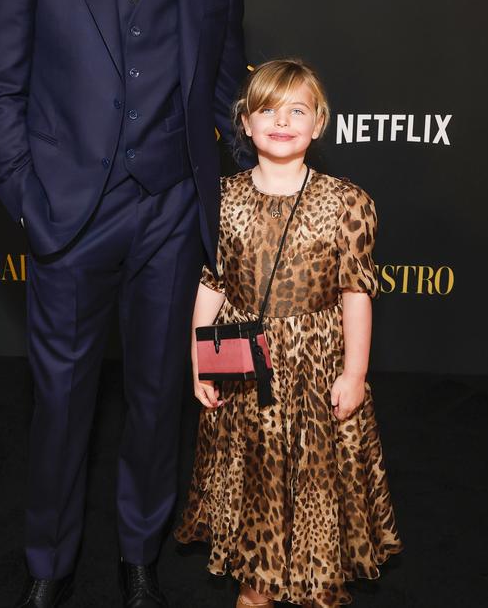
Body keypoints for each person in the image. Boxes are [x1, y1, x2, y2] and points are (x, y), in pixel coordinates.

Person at [0, 0, 248, 606]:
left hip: (172, 213)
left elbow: (227, 85)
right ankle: (49, 563)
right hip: (68, 218)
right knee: (60, 404)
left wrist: (246, 212)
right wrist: (29, 198)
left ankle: (140, 551)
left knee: (159, 396)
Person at [175, 60, 403, 608]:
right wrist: (197, 356)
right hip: (246, 371)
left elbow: (356, 294)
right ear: (245, 124)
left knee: (315, 473)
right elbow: (212, 283)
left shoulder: (348, 203)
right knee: (254, 467)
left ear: (319, 123)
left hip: (318, 367)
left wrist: (355, 372)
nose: (283, 121)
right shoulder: (221, 199)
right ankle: (256, 583)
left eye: (297, 109)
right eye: (267, 110)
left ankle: (317, 579)